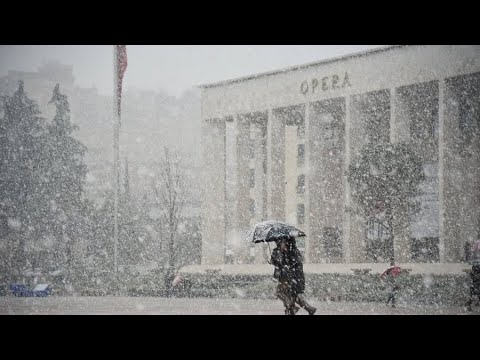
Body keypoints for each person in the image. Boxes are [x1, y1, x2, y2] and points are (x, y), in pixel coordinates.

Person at [270, 236, 317, 315]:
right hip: (285, 278)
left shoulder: (293, 252)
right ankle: (308, 308)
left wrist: (283, 261)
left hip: (293, 278)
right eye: (277, 242)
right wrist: (273, 260)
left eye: (280, 242)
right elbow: (278, 265)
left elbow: (293, 266)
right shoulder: (279, 251)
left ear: (286, 242)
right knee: (289, 295)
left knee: (287, 295)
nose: (278, 244)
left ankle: (293, 309)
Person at [466, 240, 480, 311]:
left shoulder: (475, 244)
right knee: (476, 287)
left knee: (474, 288)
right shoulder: (477, 244)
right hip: (477, 269)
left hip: (475, 270)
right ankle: (470, 303)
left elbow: (469, 260)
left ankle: (469, 303)